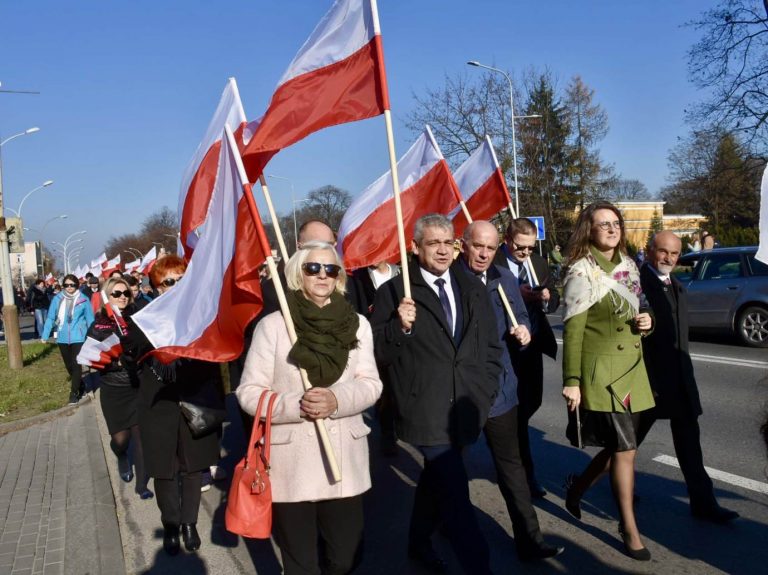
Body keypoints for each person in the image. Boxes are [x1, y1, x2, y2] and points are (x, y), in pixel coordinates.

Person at [236, 240, 382, 575]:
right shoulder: (273, 326)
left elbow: (371, 383)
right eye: (312, 267)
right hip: (293, 465)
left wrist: (336, 400)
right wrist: (295, 405)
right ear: (297, 274)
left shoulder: (357, 323)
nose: (322, 275)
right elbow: (248, 392)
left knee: (346, 557)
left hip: (344, 457)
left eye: (330, 269)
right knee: (301, 564)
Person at [371, 214, 502, 575]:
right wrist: (399, 327)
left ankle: (418, 541)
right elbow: (377, 354)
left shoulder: (471, 286)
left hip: (465, 405)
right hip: (425, 407)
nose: (443, 250)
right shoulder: (396, 292)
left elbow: (490, 346)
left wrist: (484, 392)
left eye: (449, 242)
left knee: (436, 478)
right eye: (433, 243)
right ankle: (480, 566)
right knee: (457, 495)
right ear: (415, 247)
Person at [459, 221, 564, 562]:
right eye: (479, 247)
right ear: (465, 245)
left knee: (512, 469)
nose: (485, 254)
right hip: (461, 395)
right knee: (445, 470)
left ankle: (530, 541)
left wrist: (524, 333)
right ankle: (429, 531)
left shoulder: (504, 280)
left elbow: (521, 318)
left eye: (490, 249)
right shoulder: (451, 280)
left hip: (501, 391)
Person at [560, 201, 655, 561]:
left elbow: (640, 308)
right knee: (625, 451)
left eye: (616, 223)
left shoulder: (630, 265)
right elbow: (574, 332)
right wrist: (572, 380)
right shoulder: (581, 272)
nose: (612, 229)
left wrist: (649, 322)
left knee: (621, 447)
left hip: (633, 370)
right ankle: (629, 529)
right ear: (590, 229)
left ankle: (579, 487)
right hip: (603, 374)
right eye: (604, 224)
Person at [639, 231, 738, 523]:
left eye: (674, 254)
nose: (669, 259)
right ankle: (590, 483)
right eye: (663, 252)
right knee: (626, 442)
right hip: (651, 381)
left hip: (679, 380)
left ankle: (704, 503)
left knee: (689, 443)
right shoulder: (637, 285)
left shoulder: (676, 285)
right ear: (649, 250)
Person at [128, 255, 225, 556]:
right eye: (168, 282)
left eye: (181, 280)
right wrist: (155, 356)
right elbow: (131, 356)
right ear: (156, 287)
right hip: (159, 403)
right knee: (166, 470)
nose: (175, 286)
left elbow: (216, 358)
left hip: (195, 398)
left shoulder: (203, 313)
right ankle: (170, 523)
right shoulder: (144, 317)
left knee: (193, 466)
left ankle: (189, 524)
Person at [493, 218, 559, 498]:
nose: (525, 253)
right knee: (515, 413)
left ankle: (510, 452)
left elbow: (554, 298)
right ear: (508, 240)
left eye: (531, 248)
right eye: (521, 248)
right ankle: (523, 474)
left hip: (532, 344)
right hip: (505, 347)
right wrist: (514, 294)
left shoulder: (539, 263)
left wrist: (545, 297)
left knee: (533, 400)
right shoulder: (493, 263)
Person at [84, 276, 152, 499]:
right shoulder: (100, 323)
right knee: (121, 439)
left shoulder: (139, 317)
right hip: (114, 388)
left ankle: (142, 485)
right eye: (117, 293)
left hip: (138, 384)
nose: (122, 297)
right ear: (108, 295)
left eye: (126, 293)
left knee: (142, 437)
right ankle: (121, 454)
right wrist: (114, 361)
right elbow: (91, 354)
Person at [41, 274, 95, 404]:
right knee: (69, 366)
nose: (69, 287)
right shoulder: (57, 299)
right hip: (62, 336)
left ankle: (73, 393)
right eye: (66, 285)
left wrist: (92, 336)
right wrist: (45, 334)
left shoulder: (83, 299)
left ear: (77, 285)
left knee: (76, 365)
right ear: (63, 286)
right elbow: (50, 317)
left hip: (79, 336)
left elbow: (90, 319)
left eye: (72, 285)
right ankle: (80, 384)